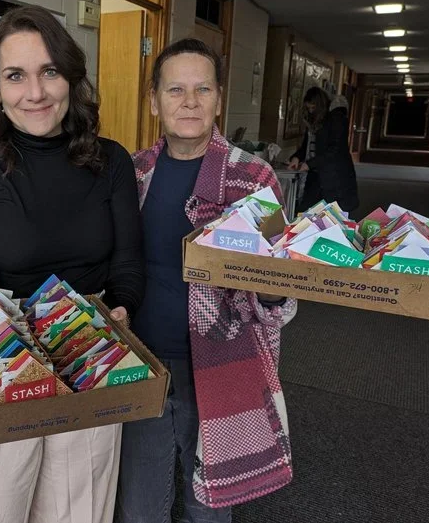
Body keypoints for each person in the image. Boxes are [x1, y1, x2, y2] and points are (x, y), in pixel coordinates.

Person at [0, 5, 144, 523]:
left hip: (90, 356)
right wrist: (25, 359)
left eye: (49, 71)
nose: (35, 92)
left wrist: (120, 310)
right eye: (15, 76)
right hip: (2, 370)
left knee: (81, 509)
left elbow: (128, 264)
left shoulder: (111, 159)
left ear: (71, 76)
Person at [116, 38, 298, 523]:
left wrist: (274, 281)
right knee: (139, 505)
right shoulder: (133, 173)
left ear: (219, 97)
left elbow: (281, 289)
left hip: (221, 363)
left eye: (202, 89)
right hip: (141, 360)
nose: (190, 102)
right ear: (154, 100)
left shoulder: (253, 178)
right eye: (175, 89)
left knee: (210, 506)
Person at [288, 86, 359, 215]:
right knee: (306, 213)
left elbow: (335, 150)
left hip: (334, 178)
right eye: (308, 108)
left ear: (321, 105)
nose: (310, 111)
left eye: (313, 108)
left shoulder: (337, 119)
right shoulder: (313, 122)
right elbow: (307, 145)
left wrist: (309, 164)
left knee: (334, 215)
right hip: (316, 176)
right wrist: (297, 157)